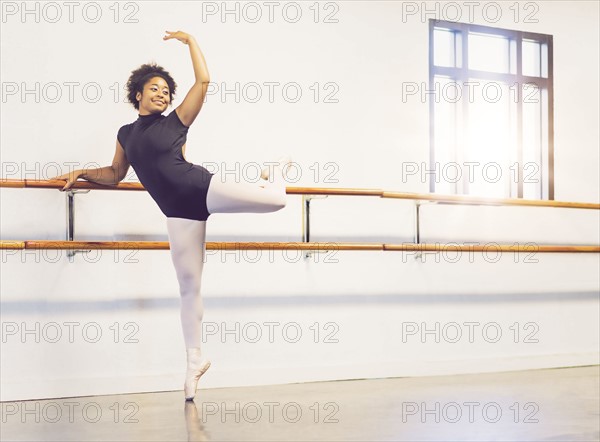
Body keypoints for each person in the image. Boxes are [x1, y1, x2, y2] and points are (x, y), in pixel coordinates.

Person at [51, 30, 291, 401]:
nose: (162, 94)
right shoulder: (126, 133)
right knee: (188, 288)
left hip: (200, 188)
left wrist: (190, 41)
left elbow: (204, 80)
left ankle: (273, 171)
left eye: (166, 90)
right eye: (155, 89)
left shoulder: (176, 121)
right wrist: (82, 172)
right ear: (138, 94)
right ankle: (193, 362)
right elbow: (115, 175)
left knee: (277, 199)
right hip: (177, 212)